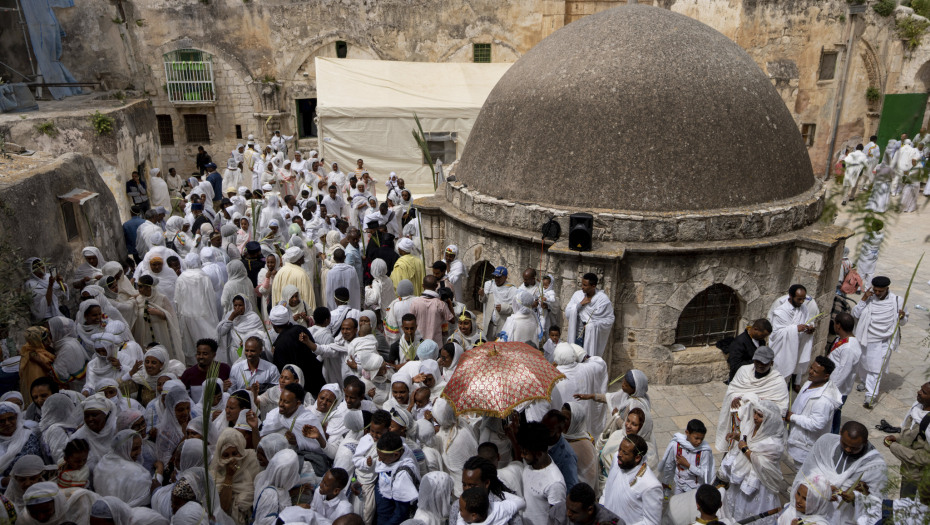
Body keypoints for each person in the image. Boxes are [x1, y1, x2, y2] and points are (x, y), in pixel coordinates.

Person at [795, 422, 888, 525]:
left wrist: (856, 499)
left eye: (854, 448)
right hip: (813, 514)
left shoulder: (876, 467)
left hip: (844, 519)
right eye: (844, 444)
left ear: (865, 442)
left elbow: (879, 504)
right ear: (840, 433)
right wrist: (822, 489)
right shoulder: (825, 442)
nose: (848, 449)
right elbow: (807, 472)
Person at [717, 399, 784, 525]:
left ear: (769, 419)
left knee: (752, 507)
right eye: (755, 413)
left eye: (760, 415)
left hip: (759, 480)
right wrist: (736, 436)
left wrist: (745, 450)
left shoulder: (774, 443)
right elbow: (746, 438)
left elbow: (763, 464)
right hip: (743, 474)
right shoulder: (752, 425)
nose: (755, 417)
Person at [714, 346, 788, 453]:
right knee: (733, 449)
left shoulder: (777, 381)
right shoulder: (744, 371)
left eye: (764, 362)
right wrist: (735, 397)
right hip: (739, 421)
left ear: (771, 363)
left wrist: (757, 402)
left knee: (752, 455)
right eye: (757, 361)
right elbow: (732, 389)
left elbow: (780, 408)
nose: (760, 365)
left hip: (759, 426)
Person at [853, 275, 908, 407]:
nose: (877, 293)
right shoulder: (869, 298)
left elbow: (904, 322)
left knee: (877, 368)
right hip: (867, 338)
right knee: (864, 362)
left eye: (880, 291)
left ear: (887, 289)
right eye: (875, 290)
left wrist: (902, 317)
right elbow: (855, 314)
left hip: (885, 340)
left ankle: (870, 395)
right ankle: (865, 381)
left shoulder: (897, 300)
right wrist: (864, 298)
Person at [786, 356, 842, 468]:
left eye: (815, 371)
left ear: (826, 376)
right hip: (798, 435)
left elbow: (817, 424)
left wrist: (792, 417)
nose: (810, 372)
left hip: (806, 444)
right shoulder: (810, 383)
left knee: (804, 471)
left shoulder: (823, 401)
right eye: (811, 368)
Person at [599, 435, 661, 525]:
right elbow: (609, 484)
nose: (619, 454)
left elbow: (652, 522)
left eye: (625, 453)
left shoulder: (651, 485)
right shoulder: (618, 460)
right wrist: (602, 506)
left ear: (637, 458)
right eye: (620, 449)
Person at [513, 422, 566, 525]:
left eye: (526, 453)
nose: (522, 455)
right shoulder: (530, 462)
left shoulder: (555, 483)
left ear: (539, 454)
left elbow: (557, 519)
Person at [883, 382, 930, 498]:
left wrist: (894, 447)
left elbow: (925, 458)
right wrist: (897, 438)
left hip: (923, 476)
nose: (919, 392)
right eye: (920, 389)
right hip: (909, 472)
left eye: (924, 392)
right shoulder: (916, 408)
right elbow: (911, 435)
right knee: (904, 504)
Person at [268, 304, 326, 397]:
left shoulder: (280, 345)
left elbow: (282, 372)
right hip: (316, 383)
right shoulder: (301, 329)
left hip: (299, 392)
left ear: (273, 324)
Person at [767, 284, 819, 386]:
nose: (801, 302)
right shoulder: (780, 311)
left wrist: (808, 328)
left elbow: (805, 321)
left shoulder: (803, 309)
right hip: (781, 351)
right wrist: (795, 329)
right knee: (776, 377)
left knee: (786, 380)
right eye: (799, 299)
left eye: (803, 299)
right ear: (790, 296)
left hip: (794, 348)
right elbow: (776, 334)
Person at [175, 254, 220, 366]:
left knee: (190, 342)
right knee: (207, 338)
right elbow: (210, 297)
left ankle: (194, 365)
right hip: (204, 314)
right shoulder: (203, 276)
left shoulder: (181, 277)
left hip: (186, 315)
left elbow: (177, 300)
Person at [211, 428, 261, 525]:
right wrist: (229, 477)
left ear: (241, 450)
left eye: (235, 453)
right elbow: (223, 507)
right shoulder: (216, 471)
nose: (231, 459)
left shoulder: (251, 459)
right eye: (226, 455)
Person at [132, 275, 185, 364]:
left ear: (148, 288)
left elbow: (172, 316)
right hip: (142, 334)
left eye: (140, 286)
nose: (138, 289)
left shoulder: (162, 298)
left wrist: (159, 313)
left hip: (159, 333)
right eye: (138, 286)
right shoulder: (138, 299)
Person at [657, 419, 714, 497]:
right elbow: (669, 465)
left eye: (701, 439)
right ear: (687, 433)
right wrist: (666, 482)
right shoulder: (676, 446)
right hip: (679, 485)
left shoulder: (704, 450)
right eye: (696, 438)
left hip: (696, 488)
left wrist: (688, 465)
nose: (699, 442)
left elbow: (704, 473)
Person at [374, 431, 421, 525]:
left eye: (383, 458)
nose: (379, 460)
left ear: (396, 455)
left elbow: (400, 513)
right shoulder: (402, 449)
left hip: (388, 518)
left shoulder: (402, 476)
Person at [564, 273, 614, 358]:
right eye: (582, 284)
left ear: (593, 286)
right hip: (577, 337)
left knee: (588, 362)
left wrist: (593, 325)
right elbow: (568, 313)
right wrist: (579, 305)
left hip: (592, 339)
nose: (582, 287)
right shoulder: (577, 295)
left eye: (585, 285)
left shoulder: (602, 300)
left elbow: (609, 319)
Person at [828, 312, 861, 434]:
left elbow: (843, 371)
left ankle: (830, 441)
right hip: (836, 388)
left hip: (837, 390)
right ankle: (835, 436)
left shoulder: (849, 348)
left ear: (839, 326)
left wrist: (829, 390)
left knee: (828, 419)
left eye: (835, 323)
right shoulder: (843, 341)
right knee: (835, 416)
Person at [409, 275, 455, 347]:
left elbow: (410, 322)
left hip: (419, 343)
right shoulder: (440, 304)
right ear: (436, 286)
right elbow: (452, 320)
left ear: (423, 286)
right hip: (436, 345)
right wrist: (449, 303)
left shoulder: (415, 302)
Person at [855, 220, 885, 287]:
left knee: (861, 271)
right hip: (874, 254)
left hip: (866, 253)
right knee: (870, 272)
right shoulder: (882, 235)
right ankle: (867, 288)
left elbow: (863, 240)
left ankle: (858, 287)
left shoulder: (869, 234)